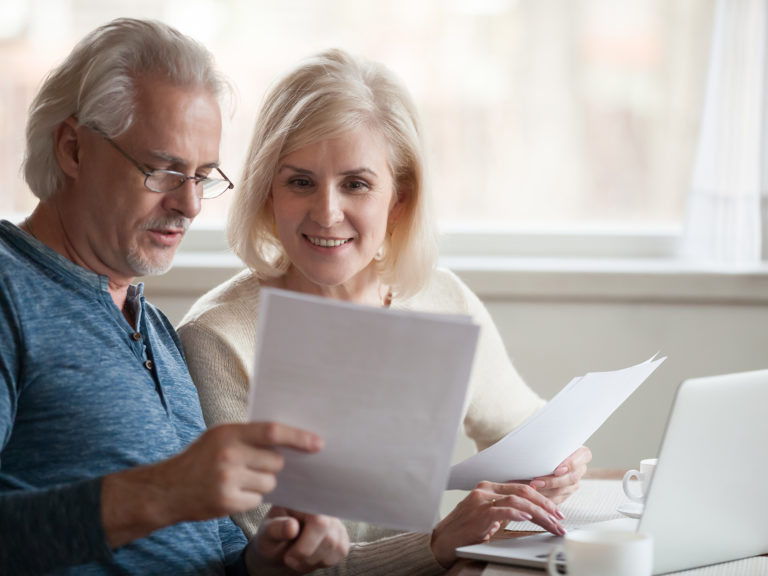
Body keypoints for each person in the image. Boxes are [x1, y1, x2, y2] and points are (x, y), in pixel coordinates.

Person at [177, 48, 592, 574]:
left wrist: (560, 461)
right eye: (300, 181)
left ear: (400, 198)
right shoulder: (217, 338)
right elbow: (272, 562)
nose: (327, 212)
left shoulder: (441, 300)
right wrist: (438, 545)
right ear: (266, 193)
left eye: (356, 184)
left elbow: (524, 429)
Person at [0, 18, 350, 575]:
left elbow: (203, 557)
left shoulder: (157, 329)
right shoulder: (8, 292)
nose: (190, 206)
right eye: (163, 170)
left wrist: (265, 560)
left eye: (203, 175)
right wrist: (158, 492)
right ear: (73, 148)